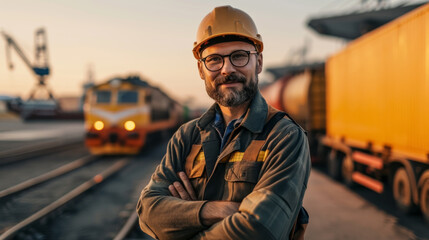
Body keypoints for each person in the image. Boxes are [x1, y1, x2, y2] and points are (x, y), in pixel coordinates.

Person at [137, 5, 311, 240]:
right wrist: (215, 210)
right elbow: (148, 211)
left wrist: (184, 220)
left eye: (239, 56)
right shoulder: (186, 136)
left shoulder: (285, 137)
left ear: (258, 62)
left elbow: (259, 231)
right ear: (201, 69)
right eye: (214, 60)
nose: (227, 69)